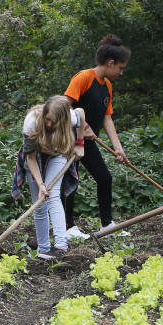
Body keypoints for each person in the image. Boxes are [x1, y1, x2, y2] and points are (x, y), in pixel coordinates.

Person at [62, 34, 131, 239]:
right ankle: (67, 228)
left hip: (88, 142)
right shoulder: (84, 77)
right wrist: (83, 125)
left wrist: (118, 148)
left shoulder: (107, 86)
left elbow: (107, 119)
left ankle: (106, 225)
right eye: (120, 68)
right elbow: (64, 105)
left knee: (104, 178)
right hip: (69, 139)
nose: (121, 73)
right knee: (70, 180)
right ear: (110, 63)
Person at [13, 95, 87, 259]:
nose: (49, 124)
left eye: (54, 122)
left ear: (63, 121)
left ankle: (61, 246)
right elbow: (30, 158)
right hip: (35, 157)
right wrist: (40, 184)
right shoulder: (31, 123)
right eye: (47, 119)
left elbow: (81, 113)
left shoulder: (70, 117)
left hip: (57, 155)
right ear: (44, 113)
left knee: (53, 195)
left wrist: (80, 144)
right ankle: (44, 248)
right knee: (40, 203)